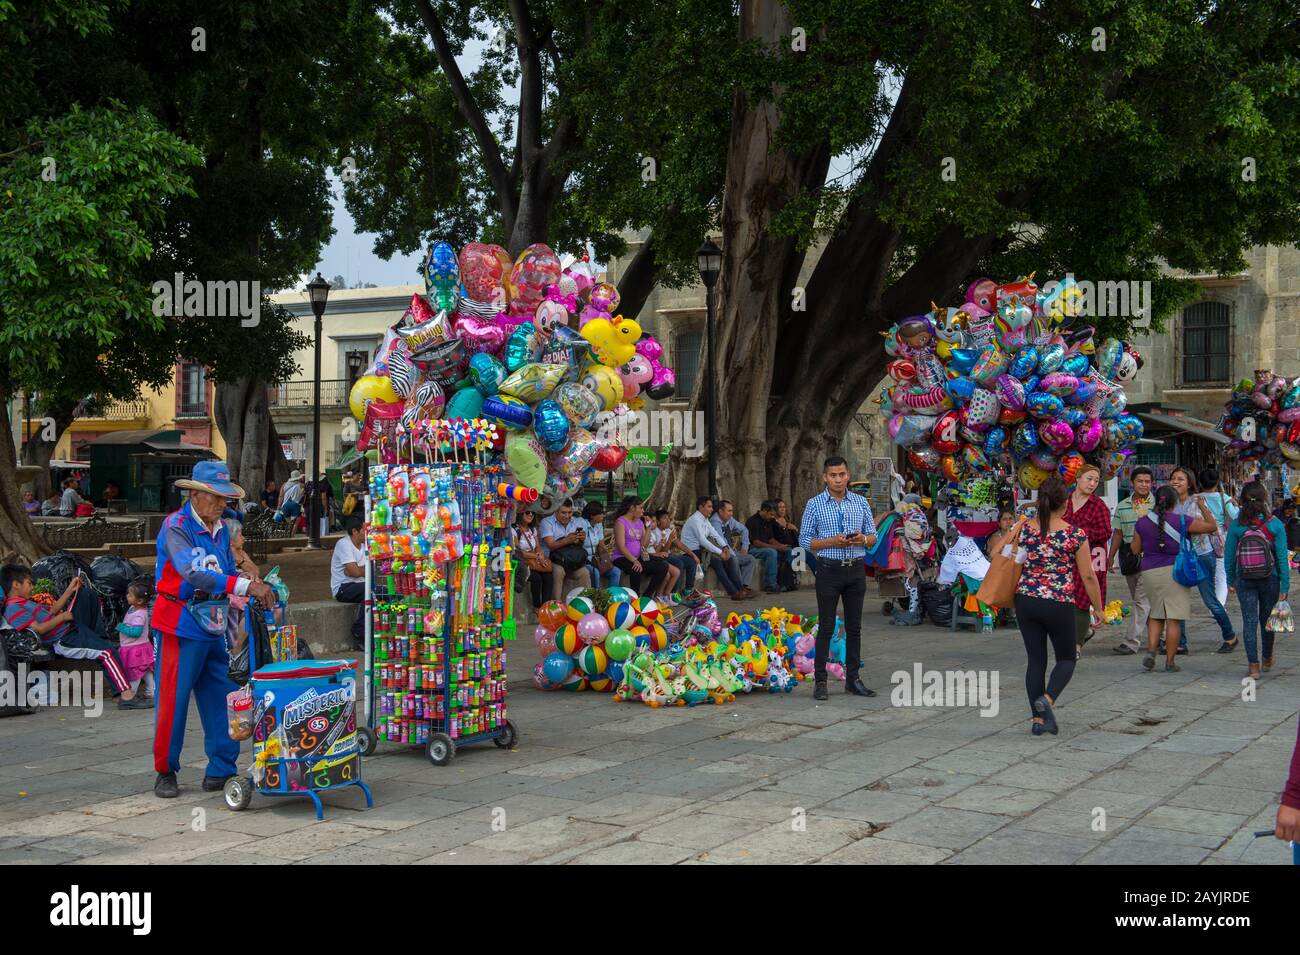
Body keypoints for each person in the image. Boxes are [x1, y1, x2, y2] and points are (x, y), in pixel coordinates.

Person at [152, 461, 274, 799]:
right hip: (179, 622)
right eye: (216, 497)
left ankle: (221, 767)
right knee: (173, 701)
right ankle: (166, 770)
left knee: (221, 697)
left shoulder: (222, 528)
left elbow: (225, 568)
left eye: (225, 498)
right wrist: (244, 587)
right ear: (195, 494)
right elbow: (193, 572)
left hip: (213, 621)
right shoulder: (176, 526)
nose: (222, 504)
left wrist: (249, 580)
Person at [1011, 477, 1104, 736]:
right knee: (1066, 658)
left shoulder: (1024, 529)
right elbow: (1088, 576)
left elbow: (1007, 557)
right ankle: (1048, 700)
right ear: (1065, 504)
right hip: (1059, 603)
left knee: (1036, 660)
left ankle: (1038, 721)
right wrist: (1098, 608)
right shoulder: (1074, 535)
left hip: (1026, 601)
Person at [2, 565, 142, 707]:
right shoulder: (13, 608)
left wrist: (70, 589)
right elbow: (40, 629)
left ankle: (99, 641)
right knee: (107, 653)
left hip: (71, 628)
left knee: (87, 594)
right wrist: (62, 618)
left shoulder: (25, 602)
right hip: (64, 639)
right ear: (16, 585)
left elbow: (52, 610)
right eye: (29, 583)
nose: (32, 587)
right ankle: (126, 696)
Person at [798, 455, 878, 701]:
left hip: (855, 569)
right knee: (827, 627)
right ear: (825, 477)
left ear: (848, 475)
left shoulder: (860, 502)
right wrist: (833, 541)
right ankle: (820, 682)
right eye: (833, 475)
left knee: (855, 628)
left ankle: (853, 680)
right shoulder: (814, 504)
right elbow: (804, 540)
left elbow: (873, 536)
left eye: (842, 474)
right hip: (829, 570)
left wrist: (861, 539)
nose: (838, 479)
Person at [1129, 484, 1217, 673]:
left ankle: (1151, 651)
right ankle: (1169, 661)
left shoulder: (1142, 522)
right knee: (1174, 619)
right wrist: (1202, 506)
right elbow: (1212, 526)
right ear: (1174, 503)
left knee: (1156, 614)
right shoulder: (1182, 520)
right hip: (1175, 572)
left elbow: (1135, 550)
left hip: (1150, 572)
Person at [1223, 481, 1289, 679]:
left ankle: (1253, 666)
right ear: (1265, 499)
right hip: (1271, 579)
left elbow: (1229, 557)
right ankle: (1267, 657)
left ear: (1242, 500)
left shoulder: (1236, 525)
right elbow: (1281, 558)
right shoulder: (1275, 524)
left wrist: (1231, 579)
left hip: (1245, 578)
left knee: (1249, 621)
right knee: (1267, 620)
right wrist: (1285, 585)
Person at [1169, 466, 1233, 653]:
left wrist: (1202, 507)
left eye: (1180, 479)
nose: (1176, 482)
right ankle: (1180, 643)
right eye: (1173, 478)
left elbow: (1211, 526)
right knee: (1177, 600)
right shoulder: (1169, 503)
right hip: (1179, 557)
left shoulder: (1197, 501)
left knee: (1210, 600)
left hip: (1202, 555)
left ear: (1189, 483)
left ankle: (1230, 636)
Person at [1063, 464, 1112, 655]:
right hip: (1064, 558)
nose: (1092, 484)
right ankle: (1081, 633)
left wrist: (1081, 533)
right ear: (1078, 478)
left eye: (1096, 481)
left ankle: (1076, 646)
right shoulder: (1064, 501)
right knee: (1065, 600)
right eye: (1089, 479)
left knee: (1082, 600)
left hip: (1089, 557)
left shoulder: (1098, 506)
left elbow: (1105, 532)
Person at [1108, 466, 1154, 655]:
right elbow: (1117, 533)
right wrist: (1110, 557)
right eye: (1140, 481)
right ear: (1132, 483)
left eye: (1147, 481)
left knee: (1141, 600)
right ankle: (1159, 637)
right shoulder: (1122, 505)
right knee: (1144, 601)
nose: (1144, 485)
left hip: (1151, 556)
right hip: (1128, 556)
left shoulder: (1157, 504)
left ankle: (1131, 641)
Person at [1197, 467, 1241, 653]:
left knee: (1208, 573)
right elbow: (1236, 516)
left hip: (1202, 539)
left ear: (1200, 483)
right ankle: (1218, 604)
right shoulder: (1224, 499)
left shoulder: (1197, 499)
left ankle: (1214, 604)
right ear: (1217, 482)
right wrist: (1234, 504)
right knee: (1222, 574)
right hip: (1221, 538)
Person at [681, 496, 752, 600]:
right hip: (692, 551)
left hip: (702, 551)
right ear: (701, 507)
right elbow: (702, 540)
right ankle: (734, 592)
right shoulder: (695, 520)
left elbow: (715, 535)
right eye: (709, 507)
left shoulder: (705, 520)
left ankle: (740, 589)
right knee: (717, 561)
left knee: (729, 559)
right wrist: (720, 552)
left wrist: (725, 547)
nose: (712, 509)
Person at [611, 496, 668, 597]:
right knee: (636, 569)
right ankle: (635, 598)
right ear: (632, 508)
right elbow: (621, 546)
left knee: (663, 566)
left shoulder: (639, 522)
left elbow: (643, 545)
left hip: (638, 557)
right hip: (621, 557)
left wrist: (649, 528)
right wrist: (634, 560)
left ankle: (647, 596)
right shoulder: (620, 522)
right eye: (641, 508)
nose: (643, 511)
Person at [539, 499, 592, 600]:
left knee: (584, 572)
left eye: (569, 512)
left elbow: (578, 545)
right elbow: (551, 545)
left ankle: (586, 603)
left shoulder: (576, 521)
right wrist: (567, 540)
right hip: (552, 559)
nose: (567, 516)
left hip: (571, 560)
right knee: (559, 572)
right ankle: (556, 605)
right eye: (563, 513)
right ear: (556, 511)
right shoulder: (546, 522)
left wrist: (580, 539)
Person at [115, 580, 156, 701]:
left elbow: (136, 632)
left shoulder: (139, 615)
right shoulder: (133, 608)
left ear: (139, 601)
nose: (127, 596)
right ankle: (151, 691)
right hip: (140, 647)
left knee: (135, 674)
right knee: (146, 671)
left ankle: (130, 695)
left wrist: (121, 627)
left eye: (130, 595)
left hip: (135, 649)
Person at [331, 516, 367, 649]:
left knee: (381, 592)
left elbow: (361, 570)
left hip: (360, 585)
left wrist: (358, 570)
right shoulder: (343, 544)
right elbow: (355, 572)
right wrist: (358, 570)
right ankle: (359, 630)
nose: (367, 533)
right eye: (364, 530)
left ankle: (367, 632)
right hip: (343, 588)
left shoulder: (365, 544)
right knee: (369, 590)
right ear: (355, 531)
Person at [710, 500, 758, 592]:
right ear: (720, 511)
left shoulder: (729, 520)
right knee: (734, 559)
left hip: (730, 551)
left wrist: (745, 547)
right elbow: (721, 541)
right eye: (729, 511)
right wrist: (734, 554)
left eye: (732, 511)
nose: (731, 514)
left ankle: (744, 586)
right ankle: (739, 589)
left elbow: (744, 530)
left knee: (750, 559)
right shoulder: (714, 522)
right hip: (719, 554)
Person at [744, 501, 785, 594]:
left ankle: (785, 582)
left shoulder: (769, 521)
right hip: (752, 549)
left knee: (787, 551)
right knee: (772, 552)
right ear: (764, 511)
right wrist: (776, 548)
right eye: (771, 514)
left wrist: (780, 546)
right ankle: (770, 585)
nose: (772, 517)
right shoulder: (752, 521)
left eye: (773, 515)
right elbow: (756, 542)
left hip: (765, 547)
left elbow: (770, 539)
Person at [654, 509, 699, 592]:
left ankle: (688, 590)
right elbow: (663, 551)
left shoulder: (668, 530)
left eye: (668, 518)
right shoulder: (655, 532)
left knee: (691, 561)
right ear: (658, 521)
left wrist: (693, 555)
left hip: (669, 555)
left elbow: (680, 544)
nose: (668, 520)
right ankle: (673, 592)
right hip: (660, 557)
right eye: (664, 518)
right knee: (678, 563)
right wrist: (670, 539)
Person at [515, 509, 547, 622]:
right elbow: (518, 552)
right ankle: (537, 607)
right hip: (522, 562)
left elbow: (537, 546)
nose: (531, 515)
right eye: (527, 512)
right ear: (520, 513)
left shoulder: (533, 529)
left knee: (548, 575)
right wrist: (535, 556)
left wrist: (540, 555)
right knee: (536, 578)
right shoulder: (516, 530)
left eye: (533, 513)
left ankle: (545, 606)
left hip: (534, 560)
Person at [581, 500, 621, 590]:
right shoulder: (582, 524)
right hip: (584, 560)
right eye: (601, 513)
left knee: (616, 571)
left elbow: (601, 544)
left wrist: (607, 558)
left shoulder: (598, 525)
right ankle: (597, 598)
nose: (603, 515)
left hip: (596, 559)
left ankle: (610, 597)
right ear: (592, 516)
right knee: (595, 573)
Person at [644, 510, 681, 597]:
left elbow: (657, 550)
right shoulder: (649, 533)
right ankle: (660, 596)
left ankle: (664, 595)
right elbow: (643, 551)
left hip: (656, 557)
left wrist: (661, 542)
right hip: (651, 558)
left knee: (676, 570)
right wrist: (666, 541)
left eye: (654, 521)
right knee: (670, 572)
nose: (654, 523)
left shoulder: (654, 533)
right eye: (652, 521)